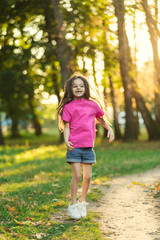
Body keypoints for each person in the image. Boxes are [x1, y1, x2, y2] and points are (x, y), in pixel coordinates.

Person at [57, 73, 114, 220]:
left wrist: (110, 129)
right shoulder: (69, 107)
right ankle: (73, 204)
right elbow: (67, 126)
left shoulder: (92, 105)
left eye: (81, 86)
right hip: (74, 147)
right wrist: (66, 140)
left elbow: (100, 118)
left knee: (87, 177)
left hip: (88, 148)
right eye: (75, 86)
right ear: (70, 89)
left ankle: (82, 202)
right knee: (77, 175)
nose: (78, 88)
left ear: (85, 88)